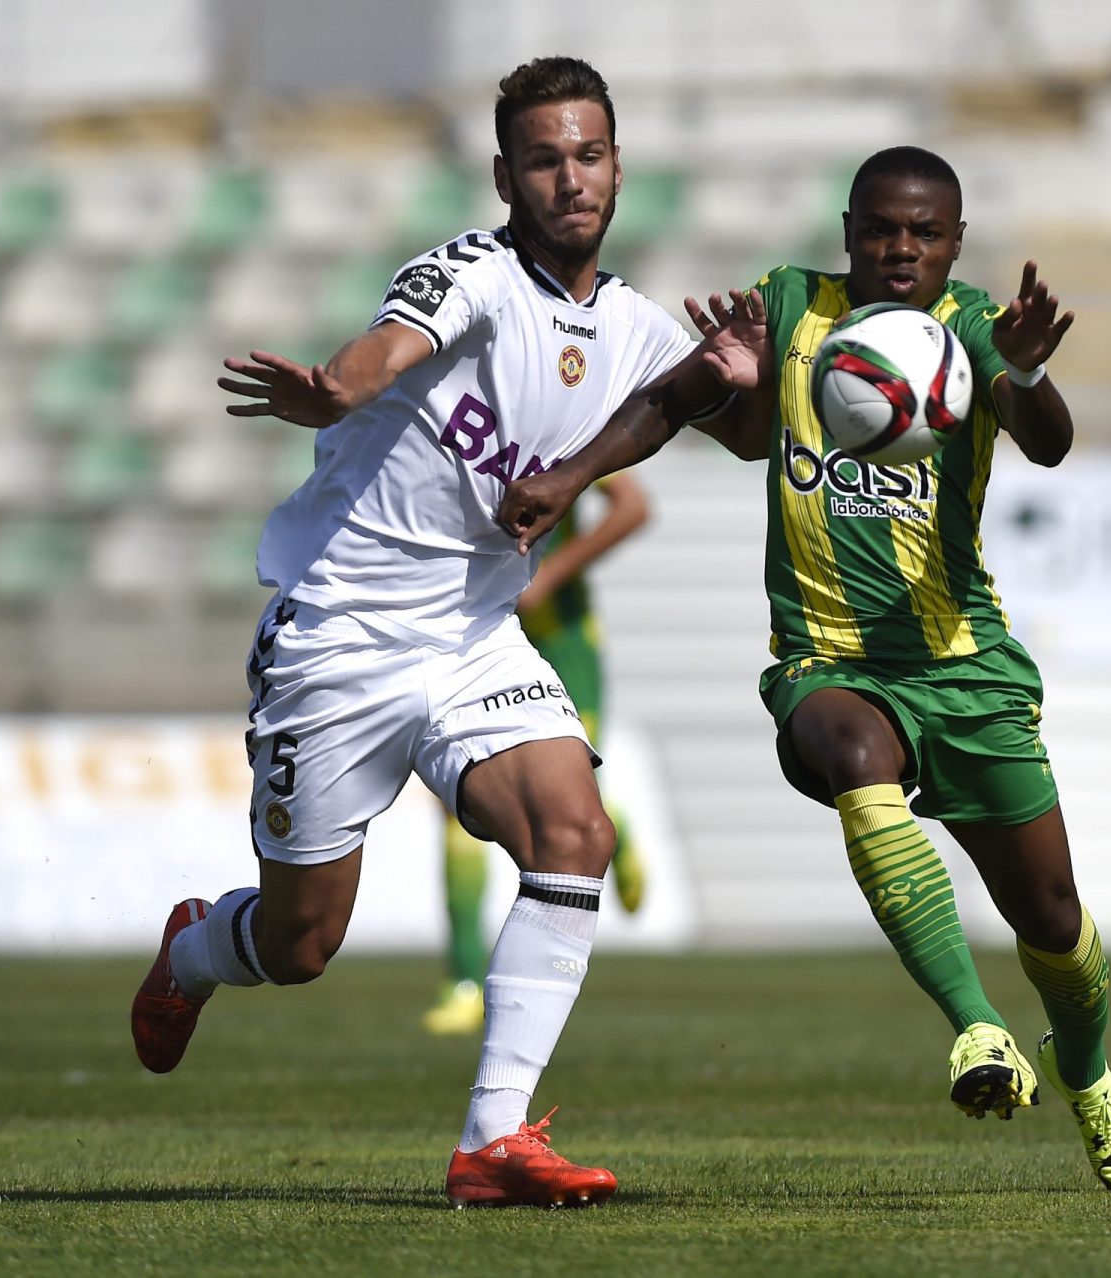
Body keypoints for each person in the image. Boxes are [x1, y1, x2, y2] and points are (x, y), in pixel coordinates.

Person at [127, 56, 746, 1209]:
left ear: (619, 168)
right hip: (341, 630)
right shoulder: (468, 270)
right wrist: (336, 388)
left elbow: (705, 416)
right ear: (505, 175)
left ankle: (492, 1143)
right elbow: (385, 354)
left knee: (576, 832)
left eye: (591, 154)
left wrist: (739, 379)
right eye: (547, 159)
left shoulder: (635, 325)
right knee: (305, 943)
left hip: (471, 638)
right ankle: (197, 951)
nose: (572, 178)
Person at [501, 146, 1111, 1193]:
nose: (902, 249)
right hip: (827, 658)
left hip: (964, 665)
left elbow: (1050, 444)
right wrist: (637, 438)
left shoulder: (978, 327)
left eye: (926, 233)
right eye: (883, 229)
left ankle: (1089, 1079)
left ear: (955, 242)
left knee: (1053, 920)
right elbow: (715, 417)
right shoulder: (790, 305)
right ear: (849, 230)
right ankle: (976, 1030)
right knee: (854, 756)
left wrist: (1026, 373)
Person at [425, 473, 652, 1037]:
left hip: (561, 644)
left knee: (568, 793)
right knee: (455, 816)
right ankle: (464, 982)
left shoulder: (563, 412)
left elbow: (632, 505)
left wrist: (552, 572)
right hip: (471, 640)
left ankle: (611, 821)